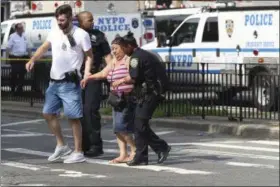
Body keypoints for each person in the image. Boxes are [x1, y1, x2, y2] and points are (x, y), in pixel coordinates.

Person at [25, 4, 93, 164]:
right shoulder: (55, 32)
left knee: (73, 117)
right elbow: (44, 47)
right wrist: (33, 59)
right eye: (58, 20)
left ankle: (78, 152)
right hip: (54, 82)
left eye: (62, 20)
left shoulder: (81, 35)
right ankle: (62, 145)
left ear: (70, 18)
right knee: (48, 113)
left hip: (69, 83)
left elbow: (89, 56)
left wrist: (87, 72)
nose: (60, 23)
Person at [114, 32, 171, 166]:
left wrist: (120, 82)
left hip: (149, 94)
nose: (122, 50)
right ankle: (142, 156)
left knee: (139, 124)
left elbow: (133, 78)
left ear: (129, 46)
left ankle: (161, 147)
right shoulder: (143, 54)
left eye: (123, 47)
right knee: (138, 125)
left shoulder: (135, 58)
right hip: (148, 94)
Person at [81, 36, 136, 164]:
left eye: (116, 48)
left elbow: (134, 76)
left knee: (122, 126)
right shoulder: (113, 62)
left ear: (123, 48)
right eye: (112, 49)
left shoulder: (128, 60)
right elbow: (103, 73)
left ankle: (134, 150)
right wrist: (89, 78)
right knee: (116, 129)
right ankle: (123, 154)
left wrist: (121, 80)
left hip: (126, 98)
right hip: (116, 99)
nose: (114, 52)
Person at [77, 11, 112, 157]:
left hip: (93, 76)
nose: (92, 21)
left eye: (92, 19)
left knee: (90, 111)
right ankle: (82, 146)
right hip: (77, 77)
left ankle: (95, 145)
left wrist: (112, 75)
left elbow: (108, 56)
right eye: (89, 20)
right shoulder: (74, 34)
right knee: (79, 113)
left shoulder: (98, 35)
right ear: (80, 21)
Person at [6, 22, 32, 94]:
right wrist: (7, 58)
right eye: (20, 28)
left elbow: (28, 47)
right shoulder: (12, 36)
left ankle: (19, 90)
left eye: (22, 28)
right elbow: (8, 48)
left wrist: (31, 58)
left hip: (23, 57)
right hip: (15, 58)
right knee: (14, 74)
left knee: (22, 74)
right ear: (17, 29)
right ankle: (13, 88)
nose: (22, 29)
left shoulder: (25, 36)